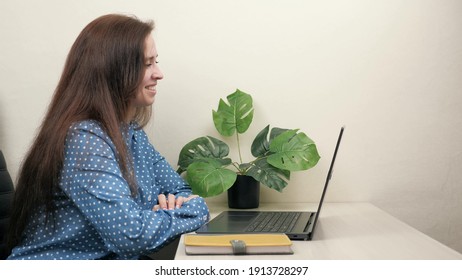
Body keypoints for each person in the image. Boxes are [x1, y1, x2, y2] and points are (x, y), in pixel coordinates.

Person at [7, 14, 209, 260]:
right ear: (113, 70)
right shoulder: (84, 138)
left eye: (156, 61)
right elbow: (131, 235)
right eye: (147, 64)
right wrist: (195, 209)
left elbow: (180, 189)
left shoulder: (131, 133)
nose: (159, 73)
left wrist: (171, 207)